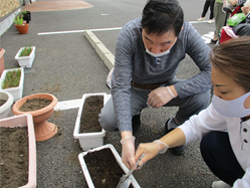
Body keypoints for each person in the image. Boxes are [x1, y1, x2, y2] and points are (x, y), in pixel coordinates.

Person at [98, 0, 212, 170]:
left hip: (166, 84)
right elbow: (120, 86)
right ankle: (132, 119)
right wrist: (126, 139)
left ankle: (176, 126)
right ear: (142, 26)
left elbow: (214, 72)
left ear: (179, 31)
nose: (154, 49)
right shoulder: (129, 34)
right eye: (148, 39)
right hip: (133, 87)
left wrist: (173, 90)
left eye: (165, 43)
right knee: (108, 120)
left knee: (202, 96)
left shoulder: (187, 32)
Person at [135, 36, 250, 188]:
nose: (216, 96)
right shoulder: (232, 104)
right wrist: (158, 145)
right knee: (212, 143)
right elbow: (196, 125)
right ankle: (235, 179)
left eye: (223, 91)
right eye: (214, 87)